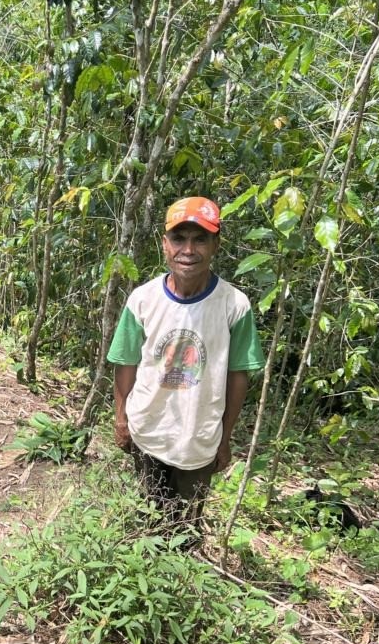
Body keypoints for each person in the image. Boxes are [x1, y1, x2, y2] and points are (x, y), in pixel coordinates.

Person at [106, 196, 265, 532]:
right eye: (179, 238)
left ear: (215, 244)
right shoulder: (143, 300)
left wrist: (225, 437)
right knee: (147, 519)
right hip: (148, 429)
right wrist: (121, 419)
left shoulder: (234, 305)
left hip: (199, 436)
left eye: (200, 239)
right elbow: (125, 362)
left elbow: (238, 375)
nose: (188, 250)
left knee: (187, 526)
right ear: (165, 245)